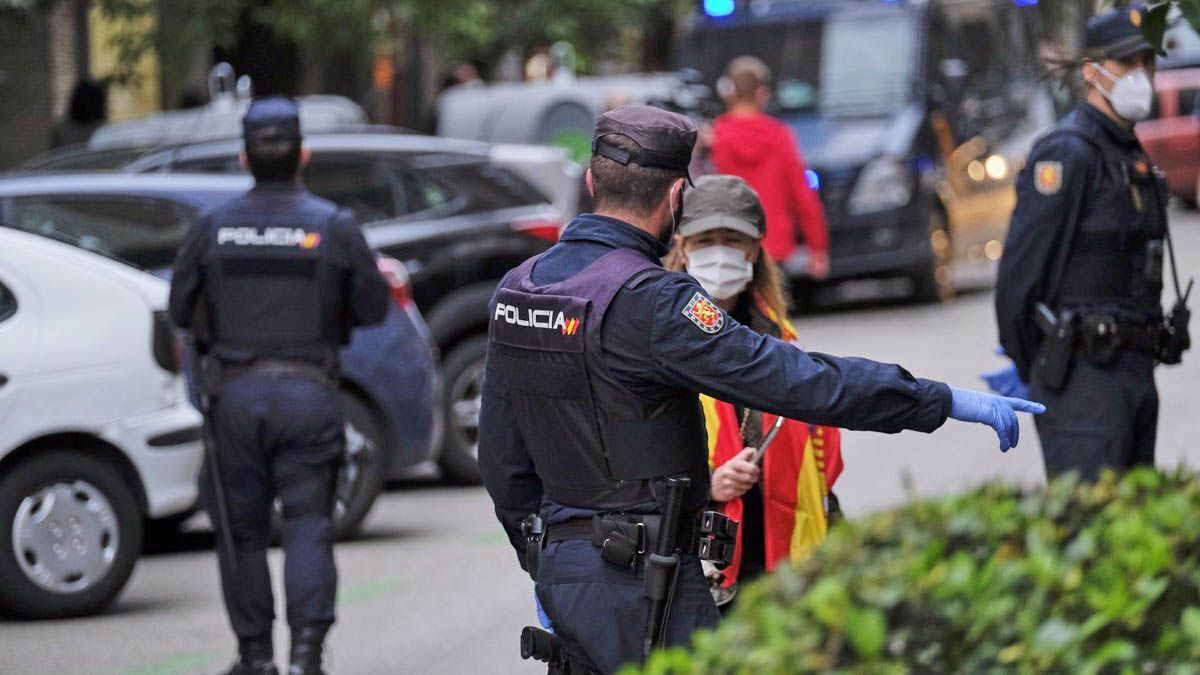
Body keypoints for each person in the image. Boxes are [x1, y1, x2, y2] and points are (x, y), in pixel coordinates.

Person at [479, 104, 1043, 675]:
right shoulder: (655, 302)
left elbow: (501, 458)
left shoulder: (519, 288)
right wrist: (939, 400)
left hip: (565, 576)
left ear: (592, 180)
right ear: (677, 198)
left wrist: (548, 558)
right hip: (648, 583)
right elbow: (801, 382)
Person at [168, 97, 389, 675]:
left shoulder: (210, 228)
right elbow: (372, 309)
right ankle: (307, 657)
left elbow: (179, 309)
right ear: (304, 156)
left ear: (244, 158)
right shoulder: (334, 225)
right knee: (308, 523)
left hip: (235, 399)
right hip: (309, 395)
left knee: (241, 535)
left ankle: (255, 657)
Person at [994, 5, 1190, 482]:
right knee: (1088, 527)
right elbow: (1018, 281)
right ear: (1091, 71)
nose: (1141, 76)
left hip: (1135, 373)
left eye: (1147, 63)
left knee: (1132, 527)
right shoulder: (1066, 153)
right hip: (1083, 378)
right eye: (1127, 64)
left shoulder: (1128, 153)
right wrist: (1041, 365)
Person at [663, 175, 843, 610]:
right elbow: (628, 470)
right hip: (701, 573)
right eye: (707, 238)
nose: (720, 251)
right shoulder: (659, 341)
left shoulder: (782, 343)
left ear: (755, 250)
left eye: (733, 238)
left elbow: (823, 466)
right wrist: (709, 486)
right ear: (683, 246)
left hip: (788, 569)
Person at [709, 56, 830, 280]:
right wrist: (817, 247)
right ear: (762, 93)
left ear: (729, 92)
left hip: (729, 244)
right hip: (774, 242)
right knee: (771, 311)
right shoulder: (778, 135)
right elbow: (802, 194)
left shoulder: (715, 138)